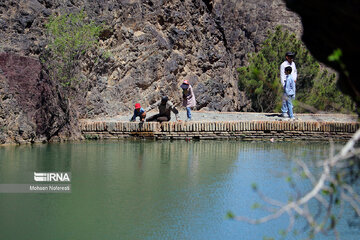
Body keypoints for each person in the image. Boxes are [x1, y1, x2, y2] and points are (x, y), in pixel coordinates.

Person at [280, 52, 297, 117]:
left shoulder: (293, 64)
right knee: (286, 97)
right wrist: (283, 84)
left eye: (292, 57)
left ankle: (290, 111)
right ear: (286, 57)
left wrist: (295, 79)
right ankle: (284, 111)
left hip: (292, 82)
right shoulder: (283, 65)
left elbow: (295, 72)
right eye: (290, 57)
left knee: (292, 97)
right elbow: (282, 75)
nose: (291, 58)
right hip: (286, 82)